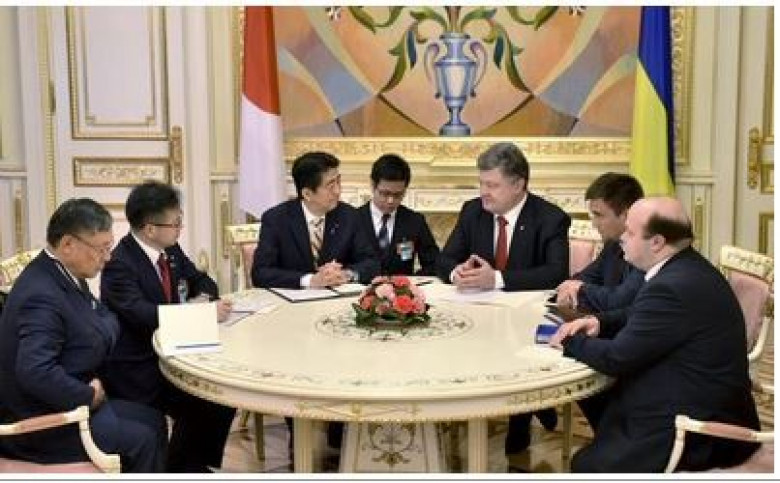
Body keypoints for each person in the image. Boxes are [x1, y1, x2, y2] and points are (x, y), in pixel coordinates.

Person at [550, 197, 760, 472]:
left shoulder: (672, 285)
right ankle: (611, 439)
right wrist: (597, 322)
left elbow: (617, 358)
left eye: (630, 232)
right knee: (597, 397)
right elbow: (641, 313)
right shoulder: (685, 266)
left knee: (587, 466)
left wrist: (568, 339)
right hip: (693, 394)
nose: (622, 238)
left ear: (657, 242)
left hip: (701, 429)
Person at [0, 198, 165, 472]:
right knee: (144, 438)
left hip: (65, 401)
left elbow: (103, 316)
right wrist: (88, 395)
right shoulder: (41, 294)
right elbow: (35, 371)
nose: (107, 257)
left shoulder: (64, 272)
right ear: (68, 244)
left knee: (153, 419)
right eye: (101, 249)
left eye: (109, 247)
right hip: (42, 425)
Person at [436, 142, 570, 457]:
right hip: (478, 314)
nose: (484, 192)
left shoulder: (550, 218)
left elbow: (555, 273)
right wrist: (457, 273)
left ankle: (522, 416)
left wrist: (496, 279)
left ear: (518, 184)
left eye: (492, 185)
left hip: (527, 315)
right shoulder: (473, 211)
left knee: (516, 340)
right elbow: (443, 260)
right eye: (481, 183)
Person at [100, 181, 236, 473]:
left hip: (175, 349)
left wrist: (203, 298)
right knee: (203, 399)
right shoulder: (120, 264)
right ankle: (181, 468)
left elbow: (202, 280)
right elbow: (142, 314)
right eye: (175, 223)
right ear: (150, 229)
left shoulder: (170, 250)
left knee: (222, 393)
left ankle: (189, 465)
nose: (180, 229)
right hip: (139, 364)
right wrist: (198, 314)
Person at [252, 151, 379, 289]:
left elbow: (372, 263)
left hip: (337, 298)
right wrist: (310, 280)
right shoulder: (276, 219)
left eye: (338, 181)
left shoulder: (349, 216)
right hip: (294, 299)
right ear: (307, 194)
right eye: (330, 186)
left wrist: (347, 274)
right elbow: (260, 273)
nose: (338, 191)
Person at [555, 172, 645, 312]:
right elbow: (585, 277)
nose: (594, 224)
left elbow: (621, 299)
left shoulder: (647, 250)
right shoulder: (613, 245)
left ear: (626, 214)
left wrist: (580, 288)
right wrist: (570, 286)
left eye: (599, 215)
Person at [357, 154, 439, 275]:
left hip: (402, 286)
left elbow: (433, 263)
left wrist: (413, 280)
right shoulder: (353, 219)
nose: (390, 201)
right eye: (385, 193)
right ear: (373, 185)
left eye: (397, 195)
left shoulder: (415, 221)